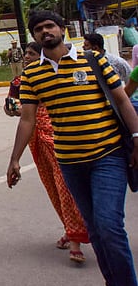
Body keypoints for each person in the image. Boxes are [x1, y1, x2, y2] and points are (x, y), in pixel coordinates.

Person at [7, 10, 138, 286]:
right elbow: (27, 118)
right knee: (96, 230)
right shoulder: (32, 74)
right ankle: (114, 284)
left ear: (62, 29)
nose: (45, 32)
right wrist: (14, 159)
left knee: (109, 226)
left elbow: (122, 100)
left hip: (108, 155)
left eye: (50, 26)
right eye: (39, 29)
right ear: (34, 36)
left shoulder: (92, 60)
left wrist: (137, 135)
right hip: (70, 162)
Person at [5, 41, 89, 263]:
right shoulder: (20, 81)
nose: (27, 58)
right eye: (26, 54)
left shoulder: (54, 74)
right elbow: (16, 110)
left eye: (32, 54)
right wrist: (12, 109)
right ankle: (69, 230)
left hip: (57, 137)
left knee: (65, 189)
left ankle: (76, 240)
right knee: (52, 187)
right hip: (35, 140)